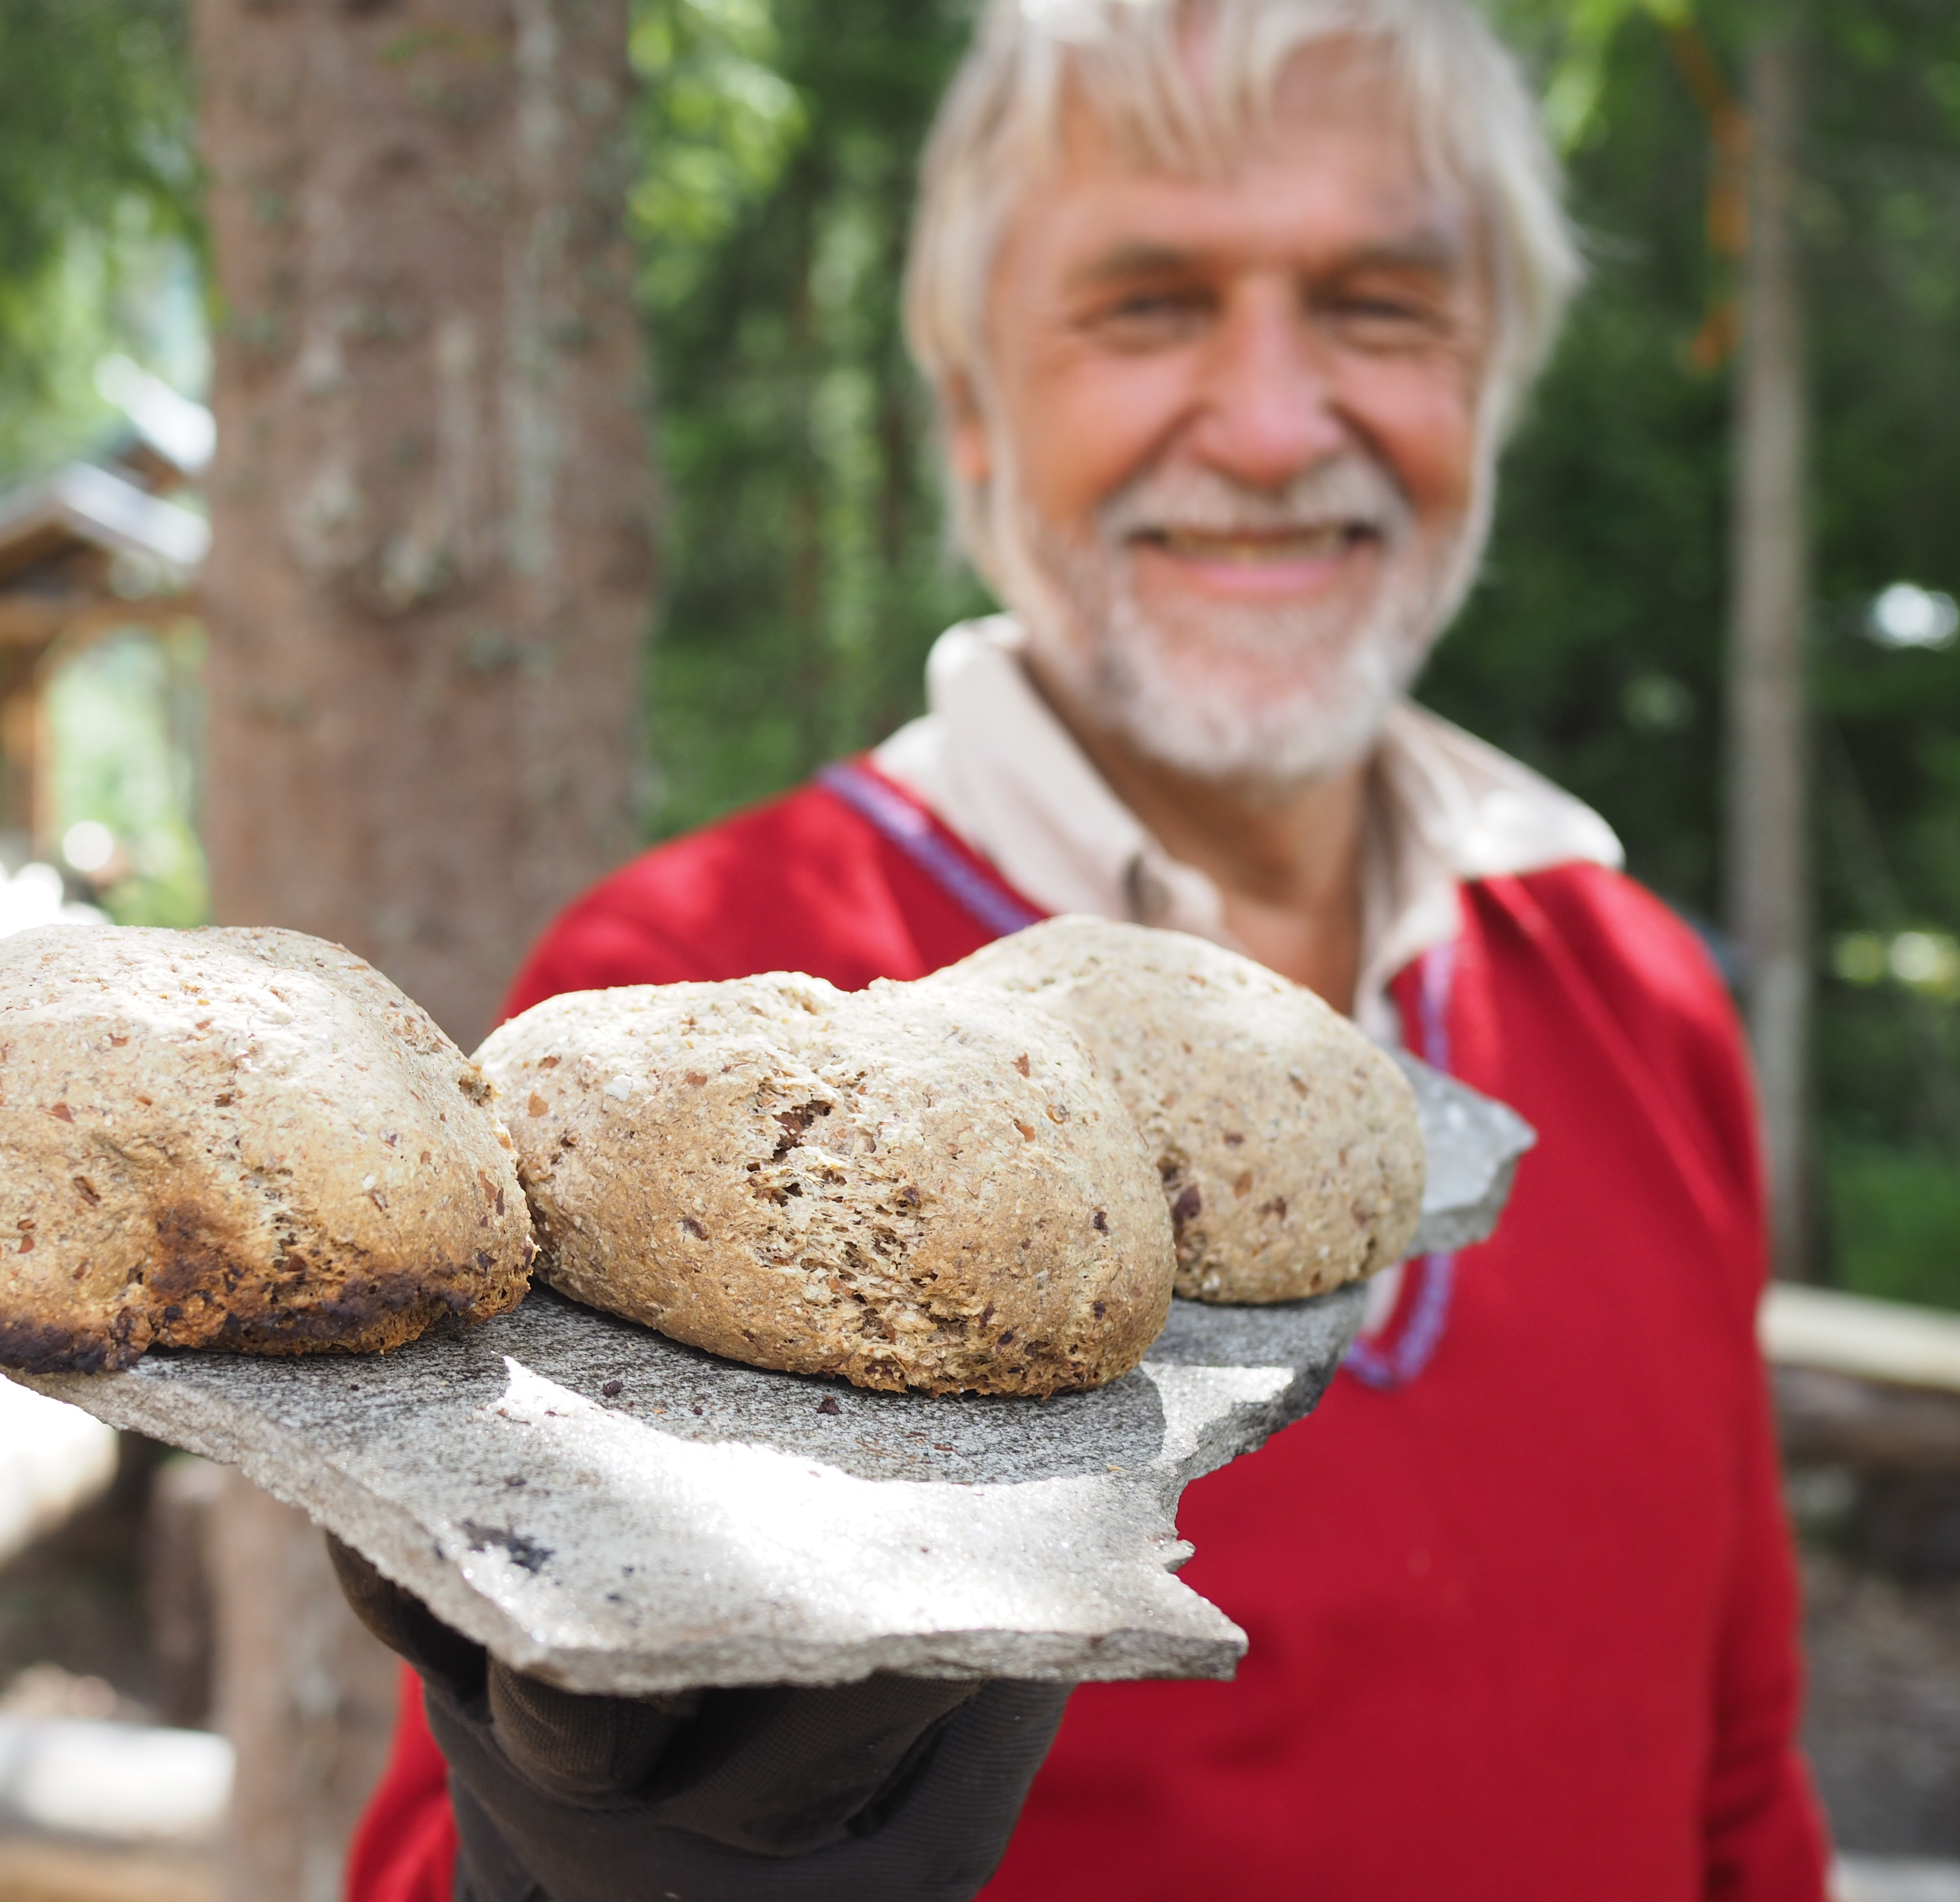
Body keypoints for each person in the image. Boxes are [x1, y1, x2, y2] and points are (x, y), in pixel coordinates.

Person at [340, 0, 1834, 1895]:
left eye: (1383, 305)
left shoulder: (1633, 994)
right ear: (968, 408)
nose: (1280, 424)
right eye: (1147, 306)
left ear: (1497, 379)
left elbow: (1740, 1790)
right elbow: (452, 1830)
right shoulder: (691, 1029)